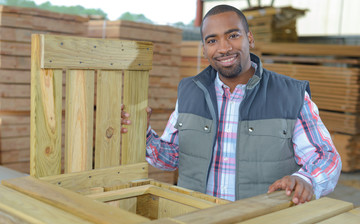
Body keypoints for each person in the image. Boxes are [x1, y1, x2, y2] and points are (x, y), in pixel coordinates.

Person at [122, 4, 341, 204]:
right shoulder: (189, 92)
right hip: (197, 220)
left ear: (250, 38)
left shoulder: (290, 95)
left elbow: (326, 157)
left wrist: (306, 180)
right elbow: (172, 157)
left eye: (233, 35)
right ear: (204, 49)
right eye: (212, 40)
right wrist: (144, 134)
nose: (224, 48)